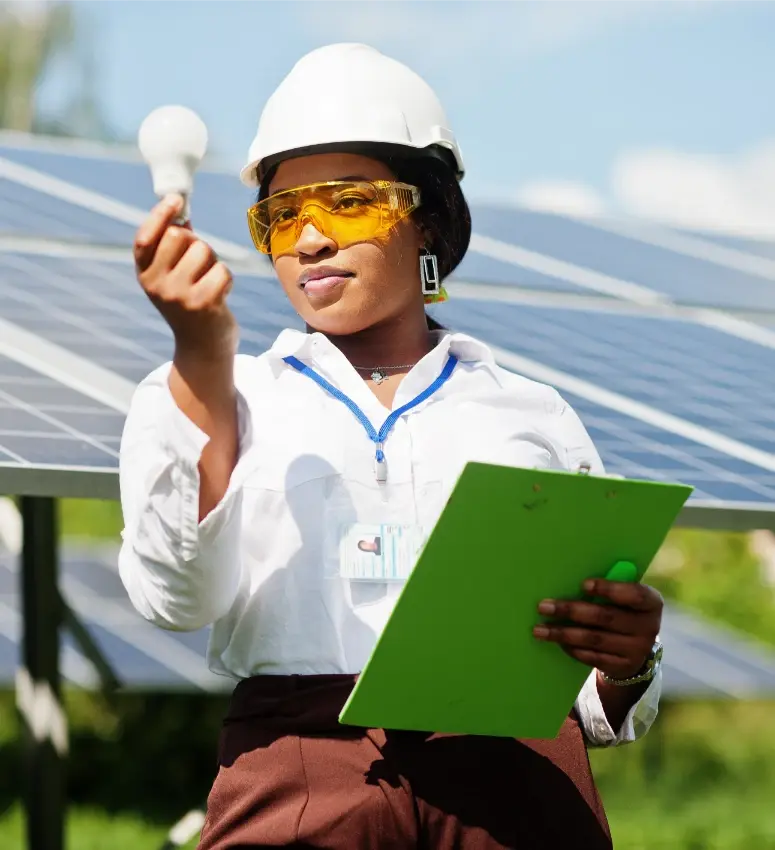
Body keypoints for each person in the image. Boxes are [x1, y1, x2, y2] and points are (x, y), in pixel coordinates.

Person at [120, 43, 664, 850]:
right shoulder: (214, 396)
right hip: (298, 772)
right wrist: (203, 362)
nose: (308, 240)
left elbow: (592, 695)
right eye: (280, 217)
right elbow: (176, 603)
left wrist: (626, 665)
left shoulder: (531, 413)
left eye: (346, 204)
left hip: (518, 788)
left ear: (430, 218)